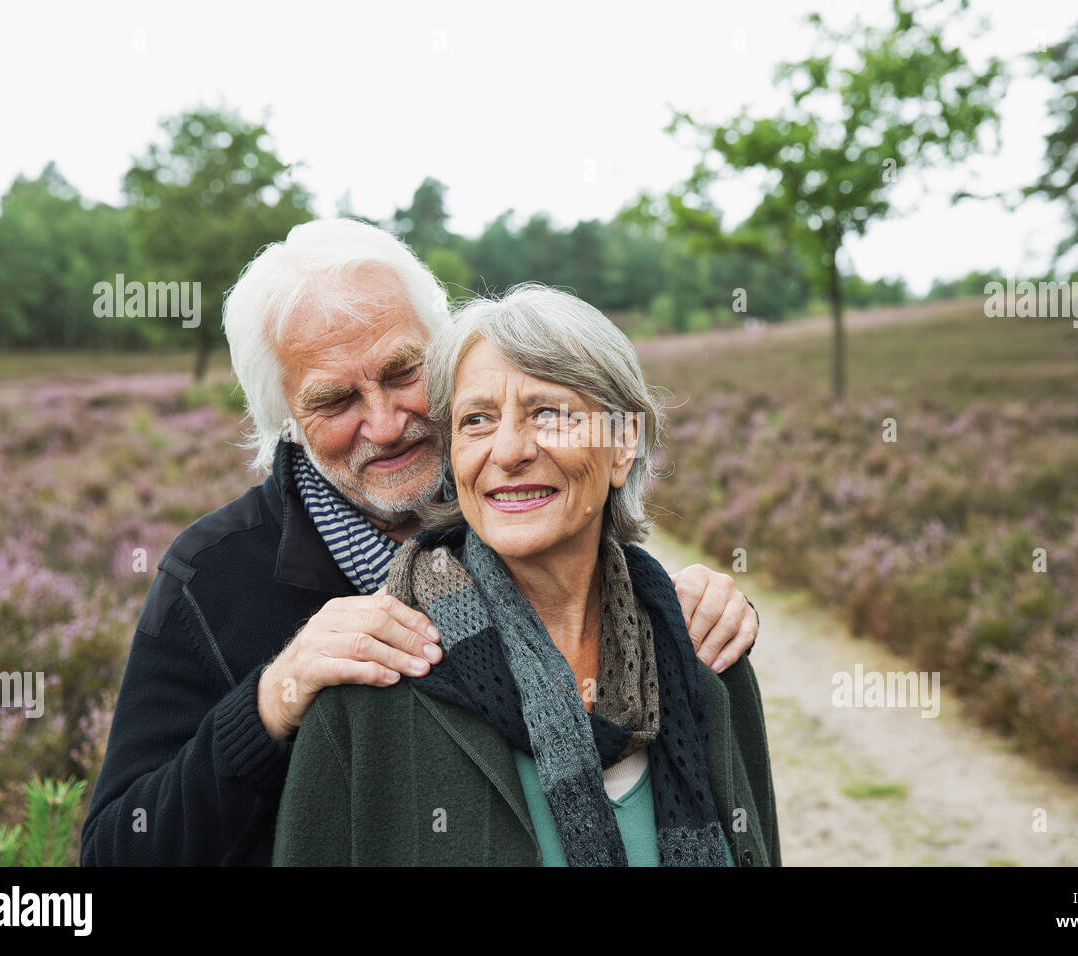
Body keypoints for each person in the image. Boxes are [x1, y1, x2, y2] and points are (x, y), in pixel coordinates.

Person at [81, 219, 762, 866]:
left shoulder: (508, 508)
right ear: (287, 421)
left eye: (403, 373)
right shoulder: (211, 578)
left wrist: (684, 612)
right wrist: (270, 704)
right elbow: (117, 850)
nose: (383, 425)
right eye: (334, 401)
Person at [273, 284, 779, 866]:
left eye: (548, 413)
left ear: (623, 443)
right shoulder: (374, 686)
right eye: (477, 420)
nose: (509, 450)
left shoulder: (702, 650)